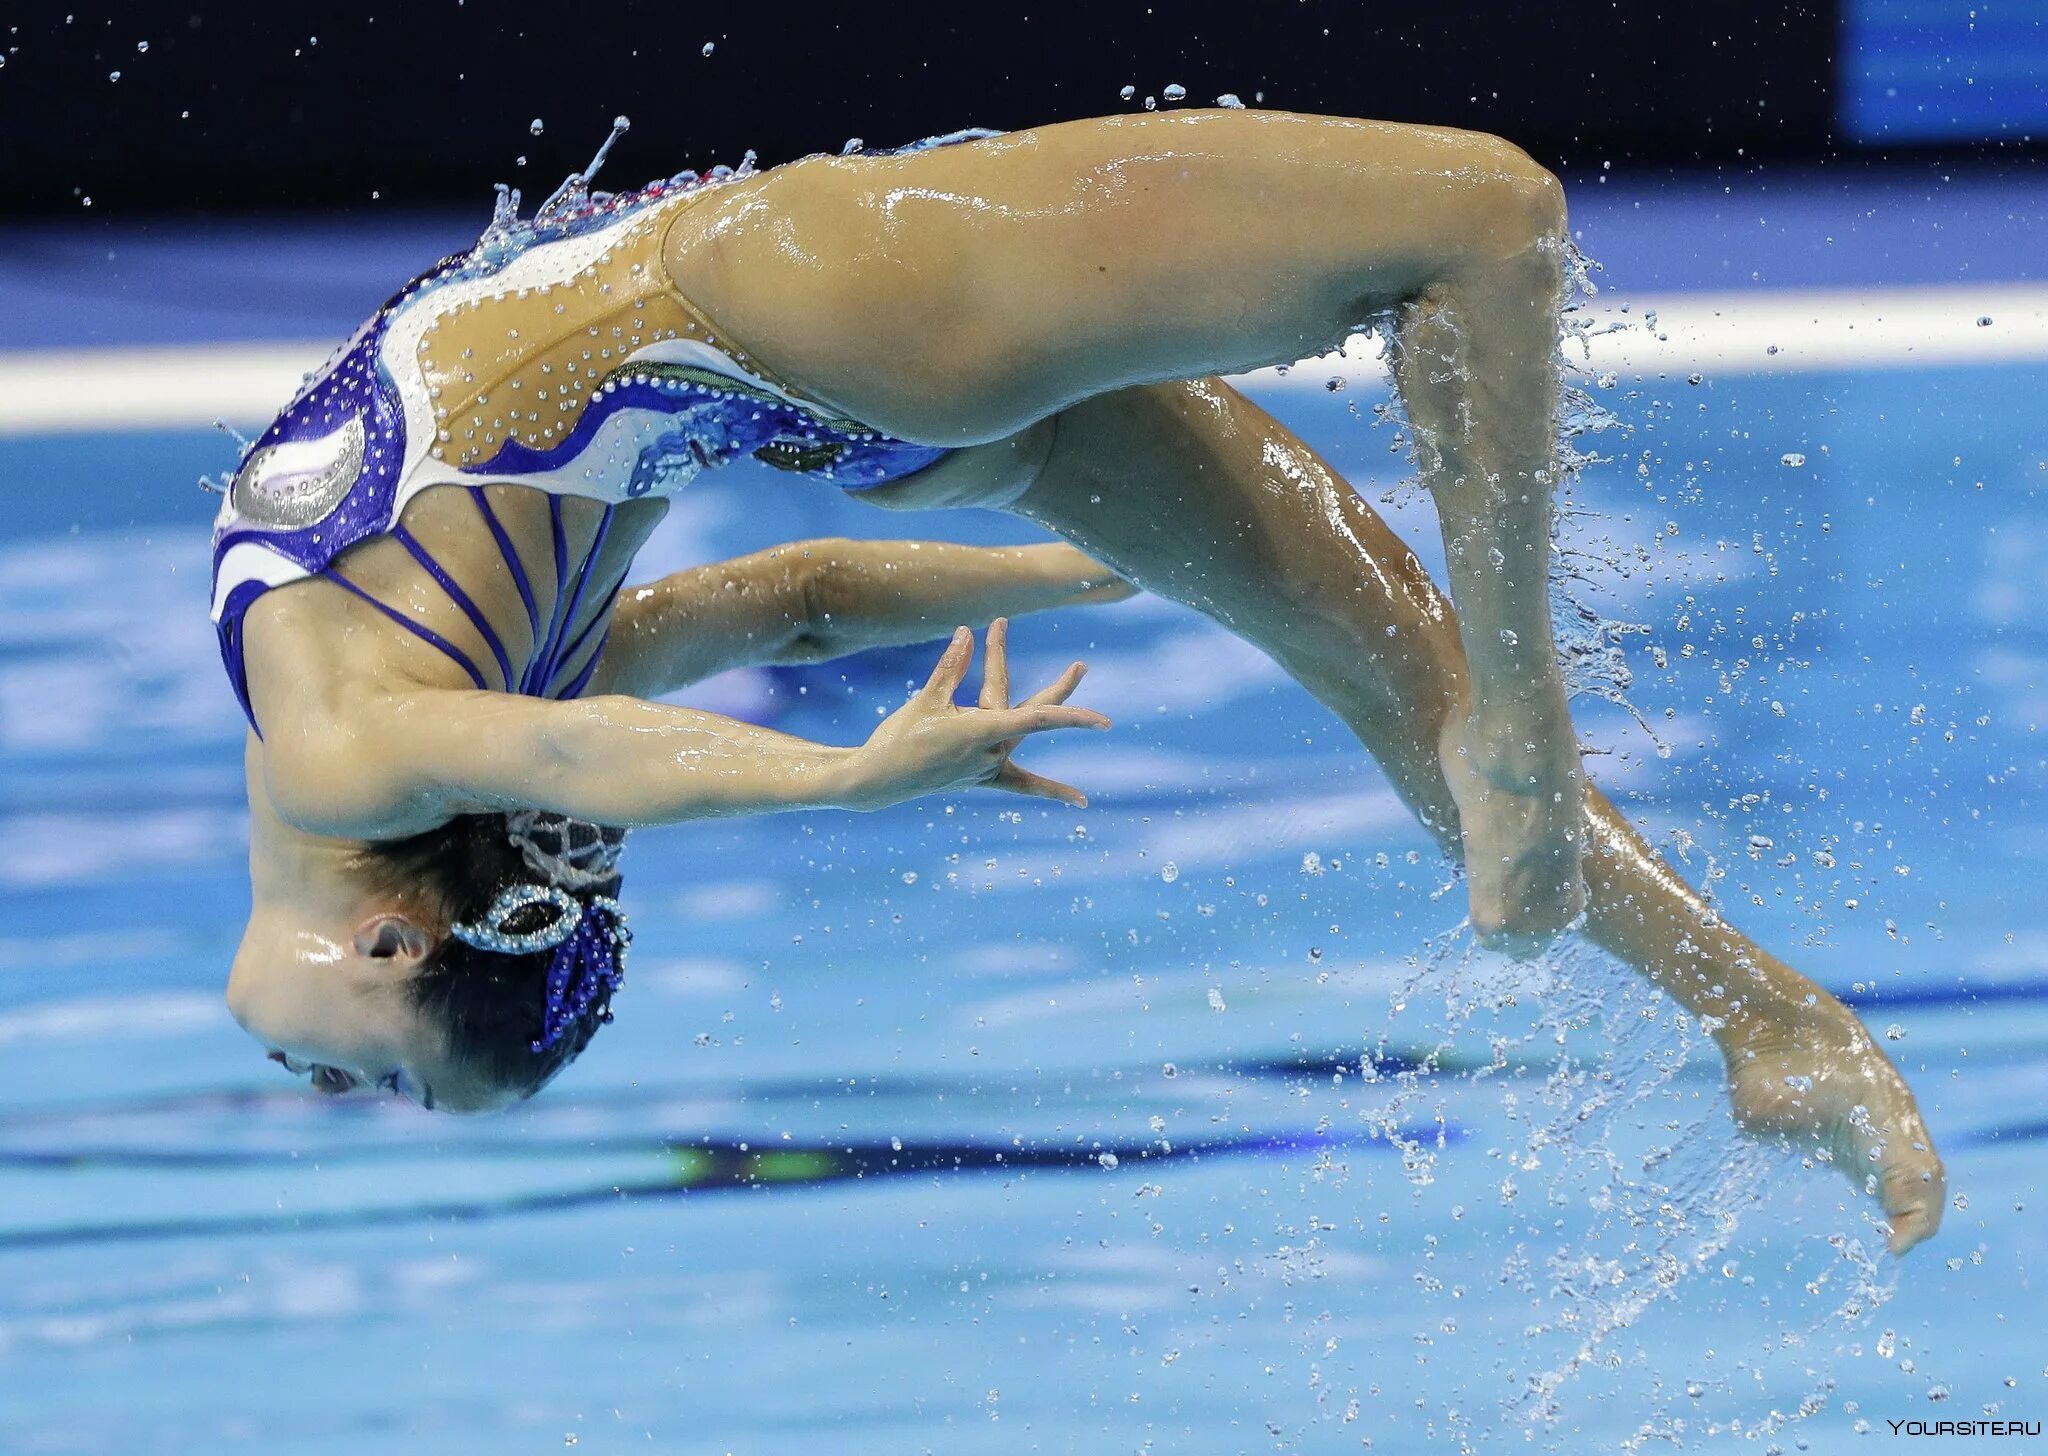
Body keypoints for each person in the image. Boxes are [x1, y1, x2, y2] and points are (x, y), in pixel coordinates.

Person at [216, 110, 1944, 1253]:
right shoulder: (367, 715)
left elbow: (659, 694)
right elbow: (755, 629)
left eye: (375, 1080)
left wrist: (999, 635)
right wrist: (975, 652)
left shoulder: (344, 747)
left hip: (817, 363)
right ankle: (1587, 795)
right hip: (818, 313)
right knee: (1487, 225)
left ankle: (1761, 1014)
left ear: (395, 938)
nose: (331, 1096)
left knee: (1377, 628)